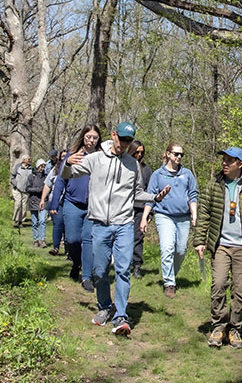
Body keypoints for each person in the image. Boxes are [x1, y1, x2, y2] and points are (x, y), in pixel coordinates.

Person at [62, 122, 169, 336]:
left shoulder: (133, 165)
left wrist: (155, 197)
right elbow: (68, 174)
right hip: (100, 223)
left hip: (124, 224)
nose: (125, 144)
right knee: (100, 271)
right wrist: (67, 163)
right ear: (113, 135)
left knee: (122, 270)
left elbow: (137, 193)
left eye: (129, 140)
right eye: (122, 139)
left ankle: (121, 314)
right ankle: (104, 307)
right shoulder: (95, 158)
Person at [193, 147, 242, 349]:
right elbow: (204, 214)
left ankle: (234, 329)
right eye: (224, 159)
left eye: (229, 160)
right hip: (221, 245)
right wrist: (200, 240)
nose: (224, 163)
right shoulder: (214, 186)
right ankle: (218, 327)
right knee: (218, 285)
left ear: (240, 164)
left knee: (240, 289)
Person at [140, 142, 198, 298]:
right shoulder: (158, 175)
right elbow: (150, 197)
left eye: (181, 155)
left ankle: (171, 274)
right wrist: (144, 218)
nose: (179, 157)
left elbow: (193, 195)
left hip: (183, 217)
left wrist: (194, 214)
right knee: (167, 248)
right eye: (176, 154)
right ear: (168, 154)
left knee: (181, 250)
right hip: (164, 215)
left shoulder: (187, 174)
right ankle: (169, 283)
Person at [48, 127, 97, 281]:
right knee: (72, 240)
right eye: (88, 137)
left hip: (93, 206)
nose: (91, 140)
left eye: (95, 137)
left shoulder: (101, 157)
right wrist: (54, 203)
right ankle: (77, 263)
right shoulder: (72, 156)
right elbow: (60, 180)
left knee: (88, 240)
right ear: (83, 137)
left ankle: (87, 277)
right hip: (72, 203)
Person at [128, 140, 153, 279]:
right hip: (124, 207)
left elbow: (150, 191)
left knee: (138, 237)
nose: (139, 155)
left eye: (141, 152)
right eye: (136, 152)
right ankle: (123, 264)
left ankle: (137, 265)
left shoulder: (146, 170)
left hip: (140, 208)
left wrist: (150, 213)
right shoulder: (124, 165)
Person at [42, 149, 69, 255]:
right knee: (58, 224)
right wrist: (42, 199)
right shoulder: (55, 170)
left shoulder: (75, 168)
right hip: (56, 201)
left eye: (66, 156)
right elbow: (47, 184)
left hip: (69, 201)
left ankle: (69, 250)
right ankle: (56, 247)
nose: (64, 158)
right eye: (62, 156)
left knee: (68, 227)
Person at [26, 159, 48, 247]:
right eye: (41, 166)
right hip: (33, 200)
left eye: (44, 166)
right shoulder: (31, 176)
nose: (42, 168)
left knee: (42, 221)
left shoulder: (46, 177)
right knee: (35, 222)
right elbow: (27, 188)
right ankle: (36, 240)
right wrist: (37, 190)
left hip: (43, 200)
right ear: (37, 166)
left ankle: (42, 240)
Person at [10, 155, 32, 230]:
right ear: (24, 160)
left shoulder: (31, 168)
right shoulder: (18, 167)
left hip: (26, 190)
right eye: (28, 159)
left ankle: (21, 221)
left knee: (24, 206)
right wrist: (16, 184)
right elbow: (12, 177)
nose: (29, 160)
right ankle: (16, 220)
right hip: (17, 189)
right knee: (18, 204)